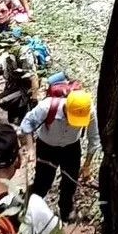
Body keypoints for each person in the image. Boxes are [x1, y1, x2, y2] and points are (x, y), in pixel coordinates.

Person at [21, 89, 99, 222]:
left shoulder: (88, 112)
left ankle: (66, 210)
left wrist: (87, 165)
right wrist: (30, 148)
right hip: (46, 147)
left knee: (70, 181)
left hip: (71, 148)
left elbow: (94, 138)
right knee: (43, 182)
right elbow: (27, 123)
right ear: (66, 108)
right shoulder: (47, 107)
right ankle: (30, 210)